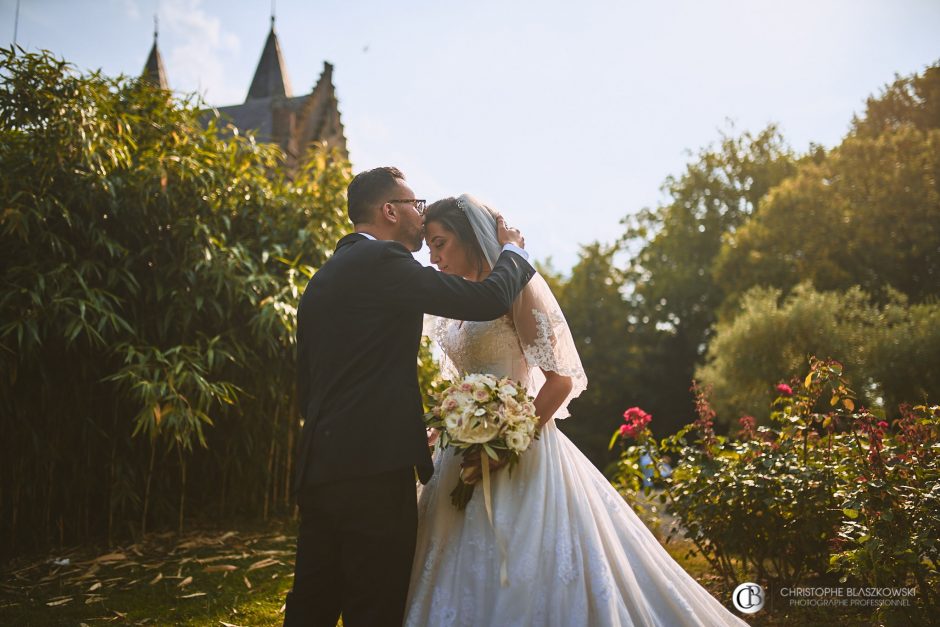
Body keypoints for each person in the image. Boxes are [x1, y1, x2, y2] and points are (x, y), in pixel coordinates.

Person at [405, 194, 749, 627]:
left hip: (518, 446)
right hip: (461, 449)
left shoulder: (515, 287)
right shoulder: (457, 300)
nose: (434, 258)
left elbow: (560, 380)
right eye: (429, 248)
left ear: (471, 238)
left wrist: (511, 435)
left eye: (440, 244)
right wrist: (451, 422)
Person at [284, 169, 536, 627]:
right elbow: (485, 301)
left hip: (319, 468)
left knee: (312, 604)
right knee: (375, 604)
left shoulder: (321, 280)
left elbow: (312, 383)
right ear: (389, 211)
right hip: (374, 470)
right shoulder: (384, 263)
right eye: (415, 204)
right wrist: (513, 250)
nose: (422, 215)